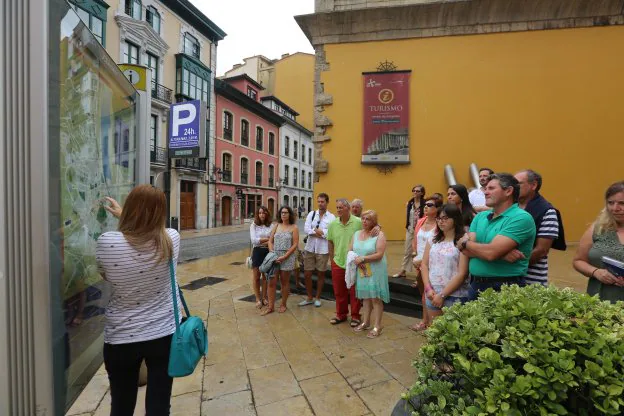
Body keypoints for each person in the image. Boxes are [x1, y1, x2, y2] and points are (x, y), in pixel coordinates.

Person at [96, 185, 181, 415]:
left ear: (131, 209)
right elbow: (151, 233)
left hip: (122, 337)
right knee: (159, 406)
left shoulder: (107, 243)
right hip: (163, 335)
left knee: (121, 406)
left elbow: (104, 274)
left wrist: (125, 215)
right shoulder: (171, 239)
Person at [456, 173, 536, 299]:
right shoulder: (481, 216)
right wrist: (502, 255)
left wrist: (465, 243)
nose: (485, 192)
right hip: (475, 285)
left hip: (504, 287)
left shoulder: (521, 218)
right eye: (486, 188)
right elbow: (466, 252)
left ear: (508, 191)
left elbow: (489, 253)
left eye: (491, 188)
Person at [573, 181, 624, 303]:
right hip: (600, 300)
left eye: (622, 203)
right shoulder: (598, 228)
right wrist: (596, 272)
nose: (615, 208)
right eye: (610, 203)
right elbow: (578, 261)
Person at [516, 169, 565, 286]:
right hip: (505, 279)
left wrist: (511, 267)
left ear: (533, 185)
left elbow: (541, 251)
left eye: (518, 183)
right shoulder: (510, 206)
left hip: (531, 281)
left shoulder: (547, 211)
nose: (514, 187)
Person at [421, 204, 469, 321]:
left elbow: (462, 273)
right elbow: (424, 264)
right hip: (432, 293)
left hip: (454, 295)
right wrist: (428, 288)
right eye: (439, 218)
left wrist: (442, 295)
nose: (441, 222)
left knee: (452, 334)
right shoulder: (433, 239)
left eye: (445, 218)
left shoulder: (462, 240)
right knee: (434, 332)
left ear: (455, 219)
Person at [351, 210, 389, 338]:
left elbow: (379, 254)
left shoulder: (379, 235)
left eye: (367, 219)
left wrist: (363, 259)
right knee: (366, 298)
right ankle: (366, 322)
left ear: (374, 222)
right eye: (363, 218)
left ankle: (377, 325)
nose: (364, 221)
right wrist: (356, 259)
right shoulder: (356, 233)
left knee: (376, 298)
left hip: (375, 270)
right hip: (363, 269)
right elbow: (351, 250)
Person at [327, 199, 363, 326]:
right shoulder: (333, 224)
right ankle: (341, 314)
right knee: (339, 291)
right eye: (337, 208)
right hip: (338, 262)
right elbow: (330, 241)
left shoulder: (358, 222)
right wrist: (332, 260)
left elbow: (370, 229)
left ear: (348, 208)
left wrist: (377, 228)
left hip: (354, 263)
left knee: (354, 291)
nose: (338, 210)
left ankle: (355, 316)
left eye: (340, 207)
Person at [409, 196, 442, 331]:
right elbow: (415, 240)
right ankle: (425, 321)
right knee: (423, 294)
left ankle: (432, 324)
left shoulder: (439, 224)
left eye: (430, 205)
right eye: (425, 204)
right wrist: (414, 255)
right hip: (419, 264)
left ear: (438, 208)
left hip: (433, 264)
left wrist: (424, 261)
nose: (426, 207)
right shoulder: (421, 221)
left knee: (429, 295)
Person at [300, 193, 336, 307]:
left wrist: (319, 232)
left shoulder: (331, 217)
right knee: (307, 273)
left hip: (323, 249)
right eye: (319, 201)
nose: (320, 204)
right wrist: (318, 232)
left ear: (327, 202)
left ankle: (318, 298)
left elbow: (331, 233)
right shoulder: (312, 214)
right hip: (310, 248)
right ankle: (309, 297)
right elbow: (306, 229)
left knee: (321, 274)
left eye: (322, 202)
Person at [264, 206, 300, 315]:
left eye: (285, 212)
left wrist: (285, 256)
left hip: (287, 257)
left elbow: (295, 244)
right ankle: (270, 306)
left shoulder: (294, 227)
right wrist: (272, 253)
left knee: (285, 282)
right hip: (275, 256)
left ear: (290, 214)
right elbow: (270, 241)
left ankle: (283, 304)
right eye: (282, 213)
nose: (283, 214)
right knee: (272, 282)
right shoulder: (276, 226)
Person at [394, 185, 426, 278]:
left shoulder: (425, 203)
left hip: (421, 230)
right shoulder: (410, 203)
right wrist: (408, 226)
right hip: (411, 229)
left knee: (420, 251)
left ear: (422, 193)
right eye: (414, 191)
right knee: (407, 251)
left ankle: (421, 274)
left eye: (418, 191)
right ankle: (403, 270)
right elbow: (408, 216)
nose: (415, 192)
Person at [250, 206, 273, 308]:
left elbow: (273, 239)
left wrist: (264, 240)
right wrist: (267, 240)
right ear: (257, 214)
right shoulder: (253, 225)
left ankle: (264, 297)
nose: (262, 215)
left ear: (267, 214)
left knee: (265, 277)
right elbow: (254, 240)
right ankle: (257, 299)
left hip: (267, 251)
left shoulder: (271, 226)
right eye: (260, 213)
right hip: (257, 251)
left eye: (263, 213)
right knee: (256, 277)